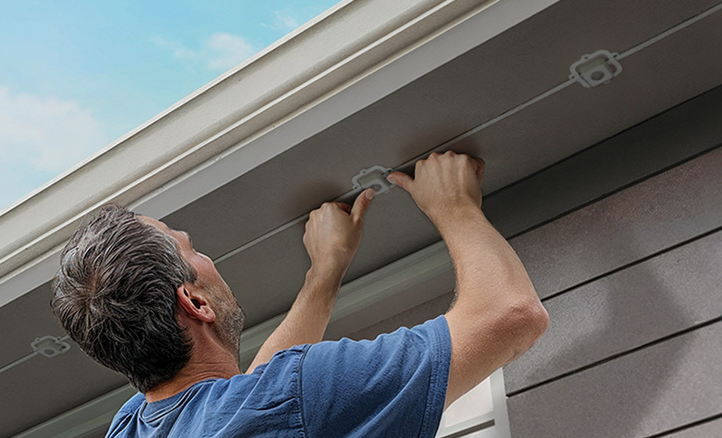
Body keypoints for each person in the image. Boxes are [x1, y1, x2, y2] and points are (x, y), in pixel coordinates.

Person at [51, 152, 548, 437]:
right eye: (193, 250)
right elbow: (512, 315)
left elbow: (254, 403)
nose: (208, 258)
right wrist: (455, 206)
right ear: (195, 303)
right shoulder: (298, 391)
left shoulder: (134, 427)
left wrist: (324, 275)